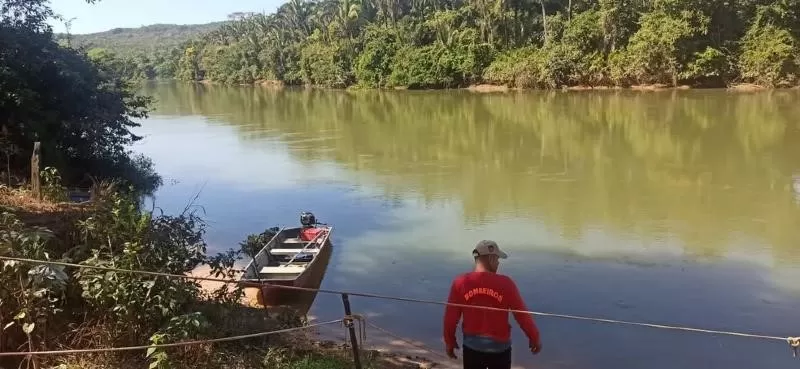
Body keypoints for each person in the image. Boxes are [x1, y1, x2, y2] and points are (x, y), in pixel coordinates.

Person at [443, 240, 542, 369]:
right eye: (497, 259)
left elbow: (450, 318)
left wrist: (449, 342)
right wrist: (534, 337)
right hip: (500, 349)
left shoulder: (460, 282)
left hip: (472, 348)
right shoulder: (506, 283)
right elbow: (522, 316)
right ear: (490, 258)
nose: (498, 262)